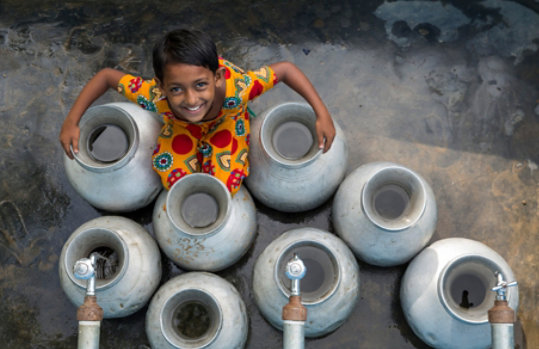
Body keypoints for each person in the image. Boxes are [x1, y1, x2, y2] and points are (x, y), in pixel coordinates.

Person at [59, 28, 335, 195]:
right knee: (173, 178)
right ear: (161, 86)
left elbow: (286, 70)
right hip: (180, 128)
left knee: (225, 184)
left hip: (227, 121)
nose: (191, 99)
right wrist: (72, 121)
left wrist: (321, 114)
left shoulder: (237, 89)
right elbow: (107, 76)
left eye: (200, 85)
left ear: (216, 78)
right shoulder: (155, 98)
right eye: (176, 89)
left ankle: (229, 134)